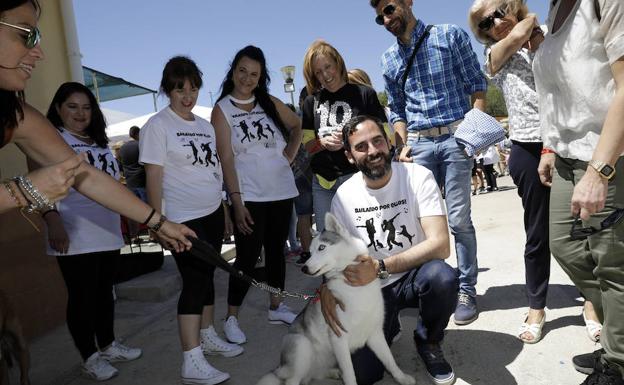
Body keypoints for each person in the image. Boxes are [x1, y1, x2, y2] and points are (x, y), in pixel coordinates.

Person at [0, 0, 194, 252]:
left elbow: (89, 177)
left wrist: (160, 223)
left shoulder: (16, 114)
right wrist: (21, 191)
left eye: (37, 36)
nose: (39, 52)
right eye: (25, 34)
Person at [371, 0, 487, 325]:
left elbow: (477, 85)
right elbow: (396, 108)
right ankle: (426, 286)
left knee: (460, 220)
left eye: (390, 9)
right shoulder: (389, 58)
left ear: (408, 2)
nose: (387, 18)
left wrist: (471, 131)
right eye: (380, 17)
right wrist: (401, 144)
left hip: (454, 137)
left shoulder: (449, 35)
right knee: (417, 222)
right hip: (418, 144)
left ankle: (466, 289)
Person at [321, 115, 458, 385]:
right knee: (364, 375)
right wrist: (326, 289)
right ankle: (389, 324)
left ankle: (428, 341)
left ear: (388, 143)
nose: (373, 151)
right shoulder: (343, 196)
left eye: (378, 141)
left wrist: (381, 267)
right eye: (361, 147)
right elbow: (334, 256)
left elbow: (441, 245)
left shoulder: (418, 177)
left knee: (443, 277)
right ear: (349, 156)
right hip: (369, 290)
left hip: (412, 274)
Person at [534, 0, 624, 383]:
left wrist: (600, 171)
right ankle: (619, 339)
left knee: (613, 266)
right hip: (568, 156)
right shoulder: (554, 9)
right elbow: (560, 91)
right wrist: (551, 146)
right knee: (565, 247)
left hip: (606, 155)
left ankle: (618, 361)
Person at [140, 56, 241, 385]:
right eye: (180, 88)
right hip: (182, 220)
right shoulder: (157, 126)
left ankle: (207, 335)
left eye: (193, 88)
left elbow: (213, 171)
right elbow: (153, 177)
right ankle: (191, 360)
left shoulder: (204, 126)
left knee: (208, 278)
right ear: (167, 90)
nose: (188, 95)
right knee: (194, 283)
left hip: (211, 211)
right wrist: (156, 222)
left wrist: (224, 207)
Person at [40, 82, 141, 381]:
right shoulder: (50, 138)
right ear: (58, 108)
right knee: (82, 296)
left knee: (105, 292)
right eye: (72, 106)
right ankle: (89, 356)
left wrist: (127, 213)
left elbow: (111, 182)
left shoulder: (98, 141)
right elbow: (36, 183)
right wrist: (51, 219)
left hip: (107, 228)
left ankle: (108, 344)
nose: (80, 113)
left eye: (86, 107)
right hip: (74, 230)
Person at [468, 0, 551, 343]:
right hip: (527, 147)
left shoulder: (551, 34)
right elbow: (518, 34)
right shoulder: (494, 56)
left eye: (499, 11)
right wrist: (527, 20)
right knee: (537, 234)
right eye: (485, 23)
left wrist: (536, 27)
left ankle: (592, 301)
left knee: (581, 232)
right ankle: (537, 306)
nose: (495, 23)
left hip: (567, 140)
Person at [211, 45, 303, 345]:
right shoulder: (222, 108)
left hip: (281, 190)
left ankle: (276, 307)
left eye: (254, 74)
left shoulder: (268, 101)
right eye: (242, 71)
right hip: (249, 194)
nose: (247, 78)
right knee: (247, 258)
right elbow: (225, 159)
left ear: (261, 77)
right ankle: (232, 317)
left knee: (277, 252)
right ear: (233, 70)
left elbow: (296, 124)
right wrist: (236, 202)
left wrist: (289, 153)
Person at [302, 40, 387, 232]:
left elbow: (385, 136)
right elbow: (307, 145)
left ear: (338, 62)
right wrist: (321, 143)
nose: (325, 75)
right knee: (329, 241)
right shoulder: (310, 103)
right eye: (318, 72)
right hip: (323, 184)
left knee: (366, 235)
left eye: (327, 67)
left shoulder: (365, 94)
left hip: (360, 179)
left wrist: (352, 140)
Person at [118, 126, 146, 201]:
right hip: (142, 182)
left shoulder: (122, 148)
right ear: (138, 134)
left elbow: (120, 164)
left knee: (136, 208)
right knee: (147, 209)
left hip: (129, 182)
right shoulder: (141, 145)